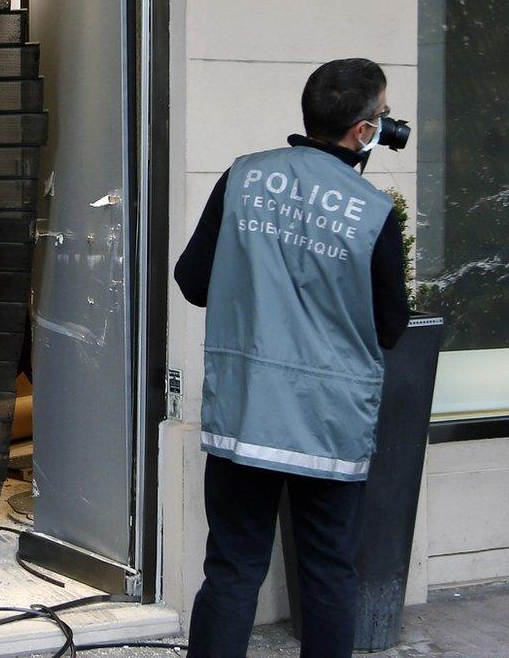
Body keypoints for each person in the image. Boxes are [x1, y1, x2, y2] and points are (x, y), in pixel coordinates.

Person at [173, 57, 410, 658]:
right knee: (329, 573)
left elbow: (193, 280)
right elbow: (390, 326)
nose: (386, 124)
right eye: (383, 116)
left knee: (231, 570)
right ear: (362, 131)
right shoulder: (373, 210)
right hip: (329, 421)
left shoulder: (242, 177)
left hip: (247, 412)